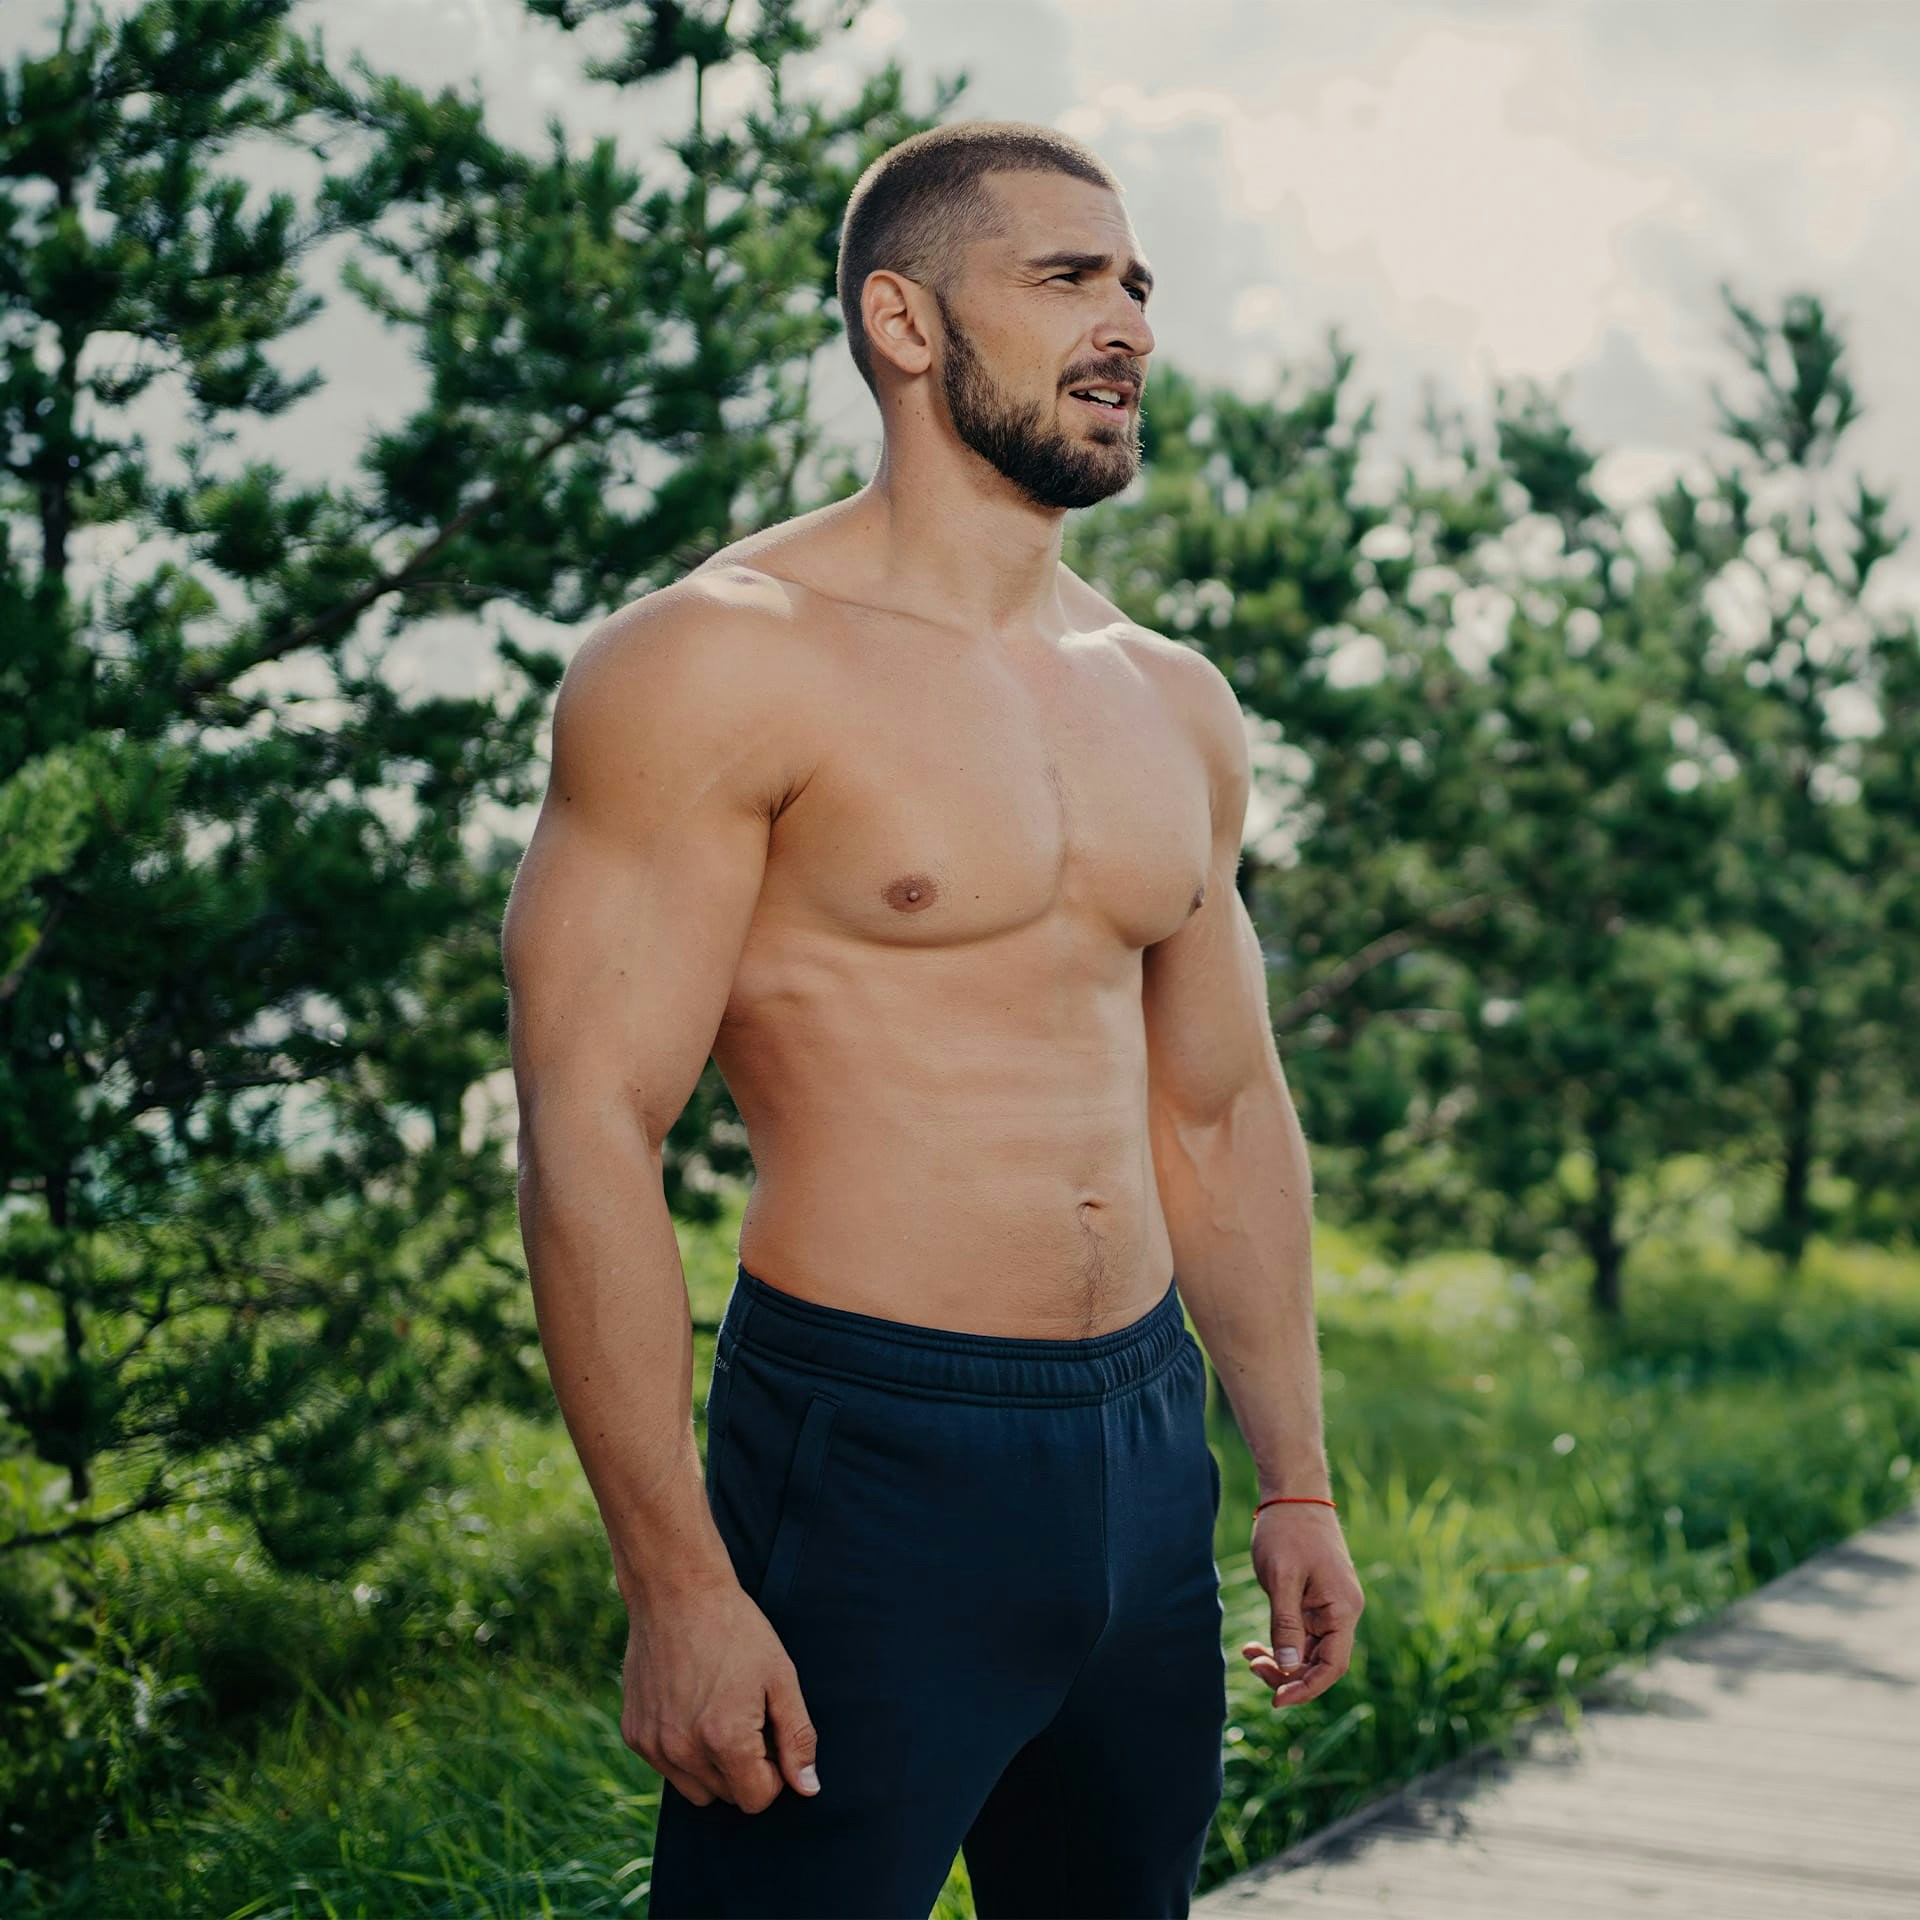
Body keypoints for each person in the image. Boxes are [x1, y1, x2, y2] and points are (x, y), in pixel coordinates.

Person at [501, 119, 1365, 1919]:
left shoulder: (1172, 702)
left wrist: (1293, 1478)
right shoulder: (713, 663)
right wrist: (675, 1584)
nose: (1125, 319)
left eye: (1135, 282)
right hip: (874, 1453)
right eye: (1065, 278)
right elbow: (590, 1122)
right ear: (905, 322)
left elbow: (1216, 1113)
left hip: (1144, 1453)